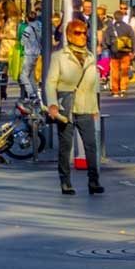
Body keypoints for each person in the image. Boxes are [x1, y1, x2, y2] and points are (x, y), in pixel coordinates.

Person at [46, 18, 104, 196]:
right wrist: (53, 105)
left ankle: (93, 182)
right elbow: (50, 82)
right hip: (66, 108)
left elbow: (93, 85)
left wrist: (95, 109)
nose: (82, 36)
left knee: (91, 146)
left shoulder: (90, 56)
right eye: (77, 33)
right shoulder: (59, 57)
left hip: (86, 106)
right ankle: (65, 182)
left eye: (84, 33)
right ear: (69, 36)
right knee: (65, 146)